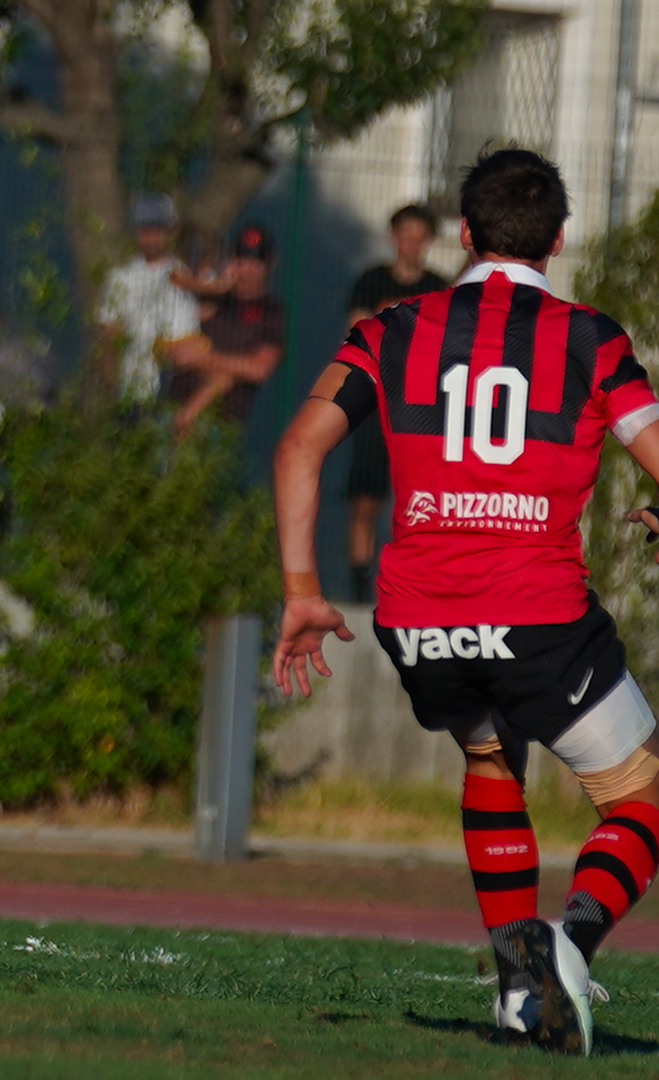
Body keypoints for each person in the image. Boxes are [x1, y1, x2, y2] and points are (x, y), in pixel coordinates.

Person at [271, 147, 659, 1056]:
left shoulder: (391, 329)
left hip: (419, 618)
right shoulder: (590, 340)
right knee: (641, 803)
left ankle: (516, 993)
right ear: (558, 240)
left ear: (464, 233)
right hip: (536, 614)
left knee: (491, 756)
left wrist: (302, 592)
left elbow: (298, 448)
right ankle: (564, 949)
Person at [342, 205, 450, 600]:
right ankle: (358, 586)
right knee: (365, 499)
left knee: (417, 503)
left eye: (419, 235)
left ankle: (412, 584)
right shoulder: (371, 281)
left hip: (420, 410)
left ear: (429, 240)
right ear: (393, 236)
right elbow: (354, 334)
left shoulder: (440, 287)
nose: (411, 243)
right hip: (375, 404)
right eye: (405, 234)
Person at [166, 223, 286, 433]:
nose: (247, 270)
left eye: (256, 262)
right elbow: (177, 336)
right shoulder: (213, 296)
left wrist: (199, 358)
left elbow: (259, 368)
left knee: (223, 380)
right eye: (242, 260)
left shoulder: (271, 311)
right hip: (171, 407)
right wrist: (214, 286)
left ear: (270, 263)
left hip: (219, 421)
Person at [95, 194, 204, 404]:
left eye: (156, 230)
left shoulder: (182, 277)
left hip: (168, 390)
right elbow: (110, 336)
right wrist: (111, 384)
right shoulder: (119, 277)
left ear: (172, 232)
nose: (149, 238)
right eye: (143, 230)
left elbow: (186, 337)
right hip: (128, 389)